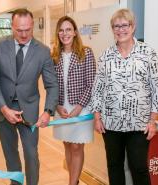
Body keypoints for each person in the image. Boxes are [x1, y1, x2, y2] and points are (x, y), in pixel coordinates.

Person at [90, 9, 158, 185]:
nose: (120, 29)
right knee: (114, 165)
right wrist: (97, 117)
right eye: (116, 26)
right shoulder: (106, 56)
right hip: (110, 124)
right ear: (112, 29)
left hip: (140, 124)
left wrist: (154, 121)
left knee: (139, 167)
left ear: (133, 27)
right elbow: (98, 88)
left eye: (124, 25)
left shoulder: (148, 53)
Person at [0, 8, 59, 185]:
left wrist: (48, 111)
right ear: (12, 26)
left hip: (29, 111)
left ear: (33, 25)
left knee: (31, 155)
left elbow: (52, 84)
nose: (24, 34)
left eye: (28, 29)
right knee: (11, 156)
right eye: (19, 30)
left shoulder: (42, 51)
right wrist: (3, 108)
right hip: (4, 110)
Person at [51, 16, 96, 185]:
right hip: (61, 108)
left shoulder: (86, 53)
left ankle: (72, 183)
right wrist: (57, 105)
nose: (65, 33)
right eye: (61, 30)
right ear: (58, 33)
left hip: (81, 108)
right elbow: (51, 84)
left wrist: (79, 107)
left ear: (75, 32)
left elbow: (91, 84)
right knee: (68, 145)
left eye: (68, 29)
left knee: (77, 146)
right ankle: (74, 181)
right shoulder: (54, 56)